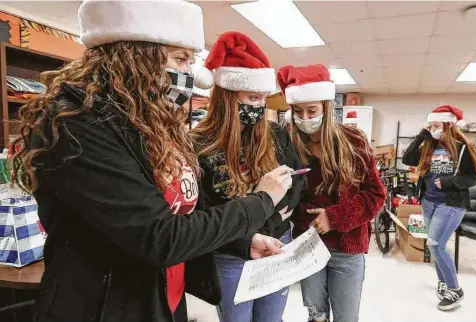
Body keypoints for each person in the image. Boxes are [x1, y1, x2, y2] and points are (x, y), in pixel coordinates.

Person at [9, 2, 293, 322]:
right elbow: (160, 237)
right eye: (180, 60)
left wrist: (243, 239)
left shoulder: (147, 121)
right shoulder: (76, 124)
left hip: (159, 298)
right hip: (105, 309)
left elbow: (181, 206)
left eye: (192, 61)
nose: (192, 76)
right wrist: (261, 201)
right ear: (134, 56)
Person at [190, 31, 304, 322]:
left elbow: (296, 181)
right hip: (231, 251)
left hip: (276, 242)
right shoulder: (198, 144)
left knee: (271, 318)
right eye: (253, 97)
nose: (260, 107)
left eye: (264, 99)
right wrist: (248, 233)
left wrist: (272, 222)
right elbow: (203, 209)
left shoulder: (276, 134)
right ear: (228, 96)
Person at [277, 64, 386, 322]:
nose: (305, 117)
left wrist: (334, 218)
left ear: (326, 107)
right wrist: (307, 218)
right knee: (316, 314)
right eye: (298, 111)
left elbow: (375, 195)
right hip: (308, 245)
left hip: (347, 248)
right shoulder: (288, 145)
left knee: (346, 317)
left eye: (312, 110)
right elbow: (289, 199)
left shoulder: (353, 141)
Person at [402, 105, 476, 311]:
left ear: (449, 125)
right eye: (430, 126)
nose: (433, 129)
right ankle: (444, 283)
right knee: (434, 245)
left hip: (451, 202)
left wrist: (448, 182)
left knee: (436, 244)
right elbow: (407, 159)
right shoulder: (429, 144)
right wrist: (422, 135)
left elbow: (475, 176)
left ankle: (455, 290)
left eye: (437, 126)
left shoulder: (463, 147)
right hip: (429, 201)